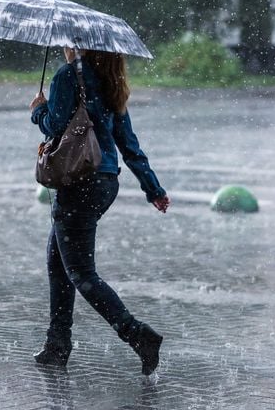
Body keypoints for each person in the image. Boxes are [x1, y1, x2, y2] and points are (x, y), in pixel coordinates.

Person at [29, 47, 170, 376]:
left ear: (79, 45)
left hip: (78, 180)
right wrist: (154, 189)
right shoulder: (111, 80)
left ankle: (138, 336)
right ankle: (57, 345)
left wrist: (38, 110)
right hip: (105, 182)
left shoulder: (68, 76)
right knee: (58, 264)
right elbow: (128, 143)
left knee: (81, 273)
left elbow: (54, 125)